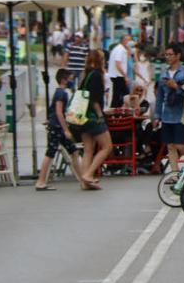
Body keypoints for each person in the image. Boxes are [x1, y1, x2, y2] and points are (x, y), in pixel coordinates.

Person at [35, 69, 84, 191]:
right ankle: (41, 181)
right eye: (70, 79)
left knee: (73, 151)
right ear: (64, 80)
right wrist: (66, 129)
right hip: (57, 127)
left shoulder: (59, 92)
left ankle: (82, 179)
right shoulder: (62, 94)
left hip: (56, 126)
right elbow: (58, 112)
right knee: (51, 153)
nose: (72, 81)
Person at [154, 44, 184, 172]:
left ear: (178, 56)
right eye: (166, 54)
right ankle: (174, 174)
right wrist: (157, 116)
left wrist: (176, 87)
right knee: (170, 146)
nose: (168, 57)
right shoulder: (164, 73)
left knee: (180, 144)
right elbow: (160, 96)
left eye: (170, 54)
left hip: (181, 115)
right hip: (167, 115)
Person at [76, 50, 112, 190]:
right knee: (107, 147)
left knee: (88, 150)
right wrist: (100, 116)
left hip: (82, 117)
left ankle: (84, 182)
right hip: (93, 117)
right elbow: (95, 99)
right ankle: (89, 175)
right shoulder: (97, 75)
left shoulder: (86, 75)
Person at [108, 34, 132, 107]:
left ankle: (115, 109)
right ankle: (115, 109)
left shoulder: (121, 49)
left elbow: (129, 56)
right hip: (118, 75)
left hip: (117, 75)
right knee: (124, 94)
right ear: (123, 40)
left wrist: (128, 49)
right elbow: (118, 64)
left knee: (118, 95)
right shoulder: (120, 50)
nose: (130, 42)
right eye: (128, 40)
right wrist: (125, 76)